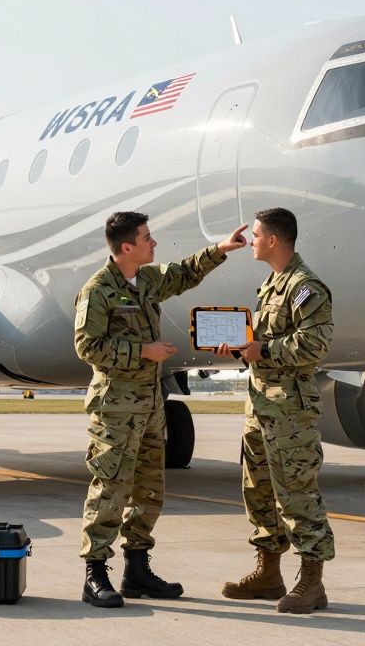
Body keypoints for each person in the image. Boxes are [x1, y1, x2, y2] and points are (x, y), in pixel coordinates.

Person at [74, 211, 247, 608]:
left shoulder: (147, 280)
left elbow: (184, 273)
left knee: (150, 490)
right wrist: (143, 351)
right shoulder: (97, 290)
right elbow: (88, 347)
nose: (154, 244)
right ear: (126, 247)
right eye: (147, 238)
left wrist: (221, 249)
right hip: (116, 409)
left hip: (150, 407)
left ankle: (136, 569)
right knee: (110, 489)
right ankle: (95, 574)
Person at [214, 207, 334, 614]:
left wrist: (262, 350)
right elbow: (265, 343)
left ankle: (312, 583)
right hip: (261, 405)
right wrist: (239, 349)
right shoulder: (272, 284)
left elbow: (313, 346)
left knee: (297, 495)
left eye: (258, 234)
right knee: (259, 493)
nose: (253, 241)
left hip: (289, 412)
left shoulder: (305, 287)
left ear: (275, 240)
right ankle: (268, 573)